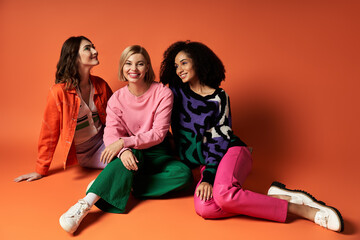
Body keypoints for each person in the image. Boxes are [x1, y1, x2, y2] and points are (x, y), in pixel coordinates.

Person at [159, 41, 344, 232]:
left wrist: (208, 177)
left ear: (197, 62)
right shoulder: (175, 92)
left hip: (230, 151)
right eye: (175, 65)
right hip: (207, 160)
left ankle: (305, 211)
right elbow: (152, 103)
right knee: (205, 208)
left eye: (183, 63)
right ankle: (280, 198)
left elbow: (219, 139)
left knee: (222, 196)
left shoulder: (219, 98)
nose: (179, 69)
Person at [59, 45, 192, 234]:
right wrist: (123, 150)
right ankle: (85, 204)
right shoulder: (117, 99)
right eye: (128, 63)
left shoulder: (163, 93)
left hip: (157, 151)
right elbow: (111, 133)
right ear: (122, 67)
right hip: (133, 154)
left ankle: (117, 184)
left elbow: (158, 133)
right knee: (131, 154)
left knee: (184, 175)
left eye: (140, 64)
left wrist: (124, 142)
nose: (134, 69)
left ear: (147, 67)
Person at [14, 36, 113, 182]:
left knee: (139, 153)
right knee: (125, 162)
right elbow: (49, 132)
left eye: (93, 46)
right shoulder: (59, 92)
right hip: (87, 153)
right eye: (88, 48)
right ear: (73, 57)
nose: (95, 51)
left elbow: (118, 117)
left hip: (107, 139)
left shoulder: (100, 84)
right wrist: (41, 169)